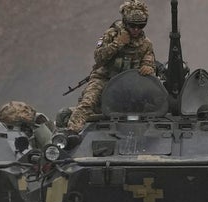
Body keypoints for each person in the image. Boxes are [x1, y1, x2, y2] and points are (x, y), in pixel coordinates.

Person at [67, 0, 156, 132]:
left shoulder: (146, 44)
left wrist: (148, 68)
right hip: (104, 78)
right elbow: (98, 58)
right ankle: (72, 132)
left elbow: (149, 62)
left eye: (140, 26)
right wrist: (118, 44)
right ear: (126, 22)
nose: (136, 30)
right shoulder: (111, 35)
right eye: (132, 26)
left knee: (149, 105)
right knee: (88, 102)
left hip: (130, 82)